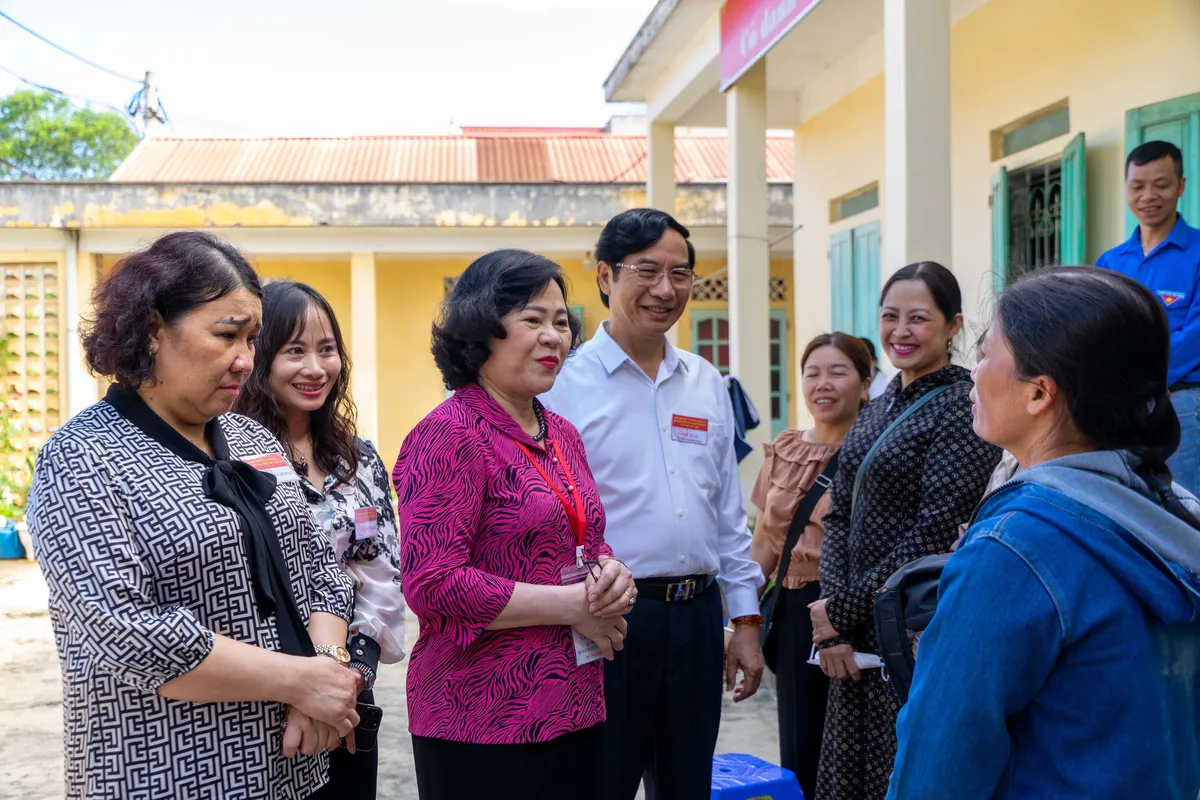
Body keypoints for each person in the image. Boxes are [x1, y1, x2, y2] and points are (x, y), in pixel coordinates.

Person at [26, 232, 360, 800]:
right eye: (227, 334)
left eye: (252, 339)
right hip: (164, 771)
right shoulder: (82, 455)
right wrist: (300, 681)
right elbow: (125, 629)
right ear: (153, 328)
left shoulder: (252, 437)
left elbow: (320, 571)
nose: (245, 360)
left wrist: (326, 668)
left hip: (294, 766)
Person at [888, 267, 1200, 800]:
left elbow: (939, 762)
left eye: (986, 353)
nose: (973, 372)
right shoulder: (1169, 515)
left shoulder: (1013, 549)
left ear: (1038, 394)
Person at [392, 249, 634, 800]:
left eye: (561, 321)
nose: (554, 336)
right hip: (480, 712)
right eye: (533, 320)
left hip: (574, 697)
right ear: (482, 330)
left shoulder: (562, 432)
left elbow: (583, 538)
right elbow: (433, 583)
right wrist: (573, 607)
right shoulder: (450, 433)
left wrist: (611, 574)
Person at [541, 208, 766, 800]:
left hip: (695, 620)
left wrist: (743, 620)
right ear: (605, 276)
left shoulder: (705, 381)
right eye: (647, 270)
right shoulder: (562, 385)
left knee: (687, 784)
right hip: (607, 618)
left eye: (681, 274)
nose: (666, 290)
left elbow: (727, 515)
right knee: (603, 781)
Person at [810, 261, 1001, 800]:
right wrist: (835, 620)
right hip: (853, 633)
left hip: (911, 630)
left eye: (918, 318)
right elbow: (841, 513)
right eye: (890, 316)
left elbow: (937, 529)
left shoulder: (961, 407)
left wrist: (841, 610)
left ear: (953, 325)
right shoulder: (879, 405)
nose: (900, 331)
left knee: (903, 772)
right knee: (848, 777)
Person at [235, 280, 405, 799]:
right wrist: (302, 686)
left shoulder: (357, 458)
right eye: (294, 351)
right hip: (265, 701)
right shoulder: (230, 460)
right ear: (258, 359)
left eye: (326, 349)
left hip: (349, 702)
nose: (315, 368)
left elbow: (381, 573)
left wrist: (350, 675)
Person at [750, 332, 872, 799]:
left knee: (859, 746)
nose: (823, 383)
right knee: (802, 743)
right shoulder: (784, 448)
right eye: (813, 373)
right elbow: (764, 543)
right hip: (795, 612)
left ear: (865, 385)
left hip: (854, 609)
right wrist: (737, 617)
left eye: (838, 372)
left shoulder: (877, 451)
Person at [1097, 140, 1200, 496]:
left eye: (1161, 184)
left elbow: (1196, 335)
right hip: (1122, 408)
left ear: (1181, 186)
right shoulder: (1110, 264)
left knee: (1186, 511)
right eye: (1137, 185)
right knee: (1131, 506)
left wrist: (1144, 379)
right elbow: (1100, 334)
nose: (1148, 196)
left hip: (1183, 405)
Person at [860, 337, 888, 401]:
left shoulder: (886, 383)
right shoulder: (852, 383)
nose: (861, 367)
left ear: (874, 361)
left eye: (865, 361)